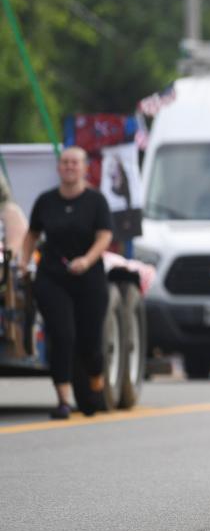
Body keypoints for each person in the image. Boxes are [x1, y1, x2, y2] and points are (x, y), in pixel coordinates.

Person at [21, 147, 114, 419]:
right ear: (58, 168)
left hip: (89, 277)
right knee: (63, 335)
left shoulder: (96, 202)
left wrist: (87, 260)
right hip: (53, 277)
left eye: (75, 163)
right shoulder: (46, 201)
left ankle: (96, 380)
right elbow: (32, 234)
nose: (69, 167)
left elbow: (105, 236)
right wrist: (25, 263)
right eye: (64, 162)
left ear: (85, 168)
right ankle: (63, 399)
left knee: (90, 342)